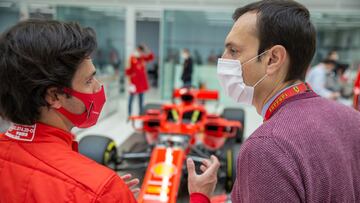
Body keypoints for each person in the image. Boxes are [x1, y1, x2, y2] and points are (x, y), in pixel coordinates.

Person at [0, 19, 212, 203]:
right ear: (54, 96)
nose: (98, 86)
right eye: (89, 80)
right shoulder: (102, 190)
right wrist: (106, 193)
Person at [188, 0, 360, 202]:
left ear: (273, 59)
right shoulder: (353, 119)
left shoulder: (267, 147)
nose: (223, 59)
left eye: (234, 51)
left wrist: (199, 199)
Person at [126, 44, 154, 116]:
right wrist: (129, 82)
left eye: (141, 51)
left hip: (141, 82)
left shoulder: (142, 58)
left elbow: (151, 57)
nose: (139, 52)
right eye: (138, 50)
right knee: (131, 99)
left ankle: (141, 113)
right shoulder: (131, 58)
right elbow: (128, 71)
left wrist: (146, 50)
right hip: (134, 82)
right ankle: (129, 113)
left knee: (141, 99)